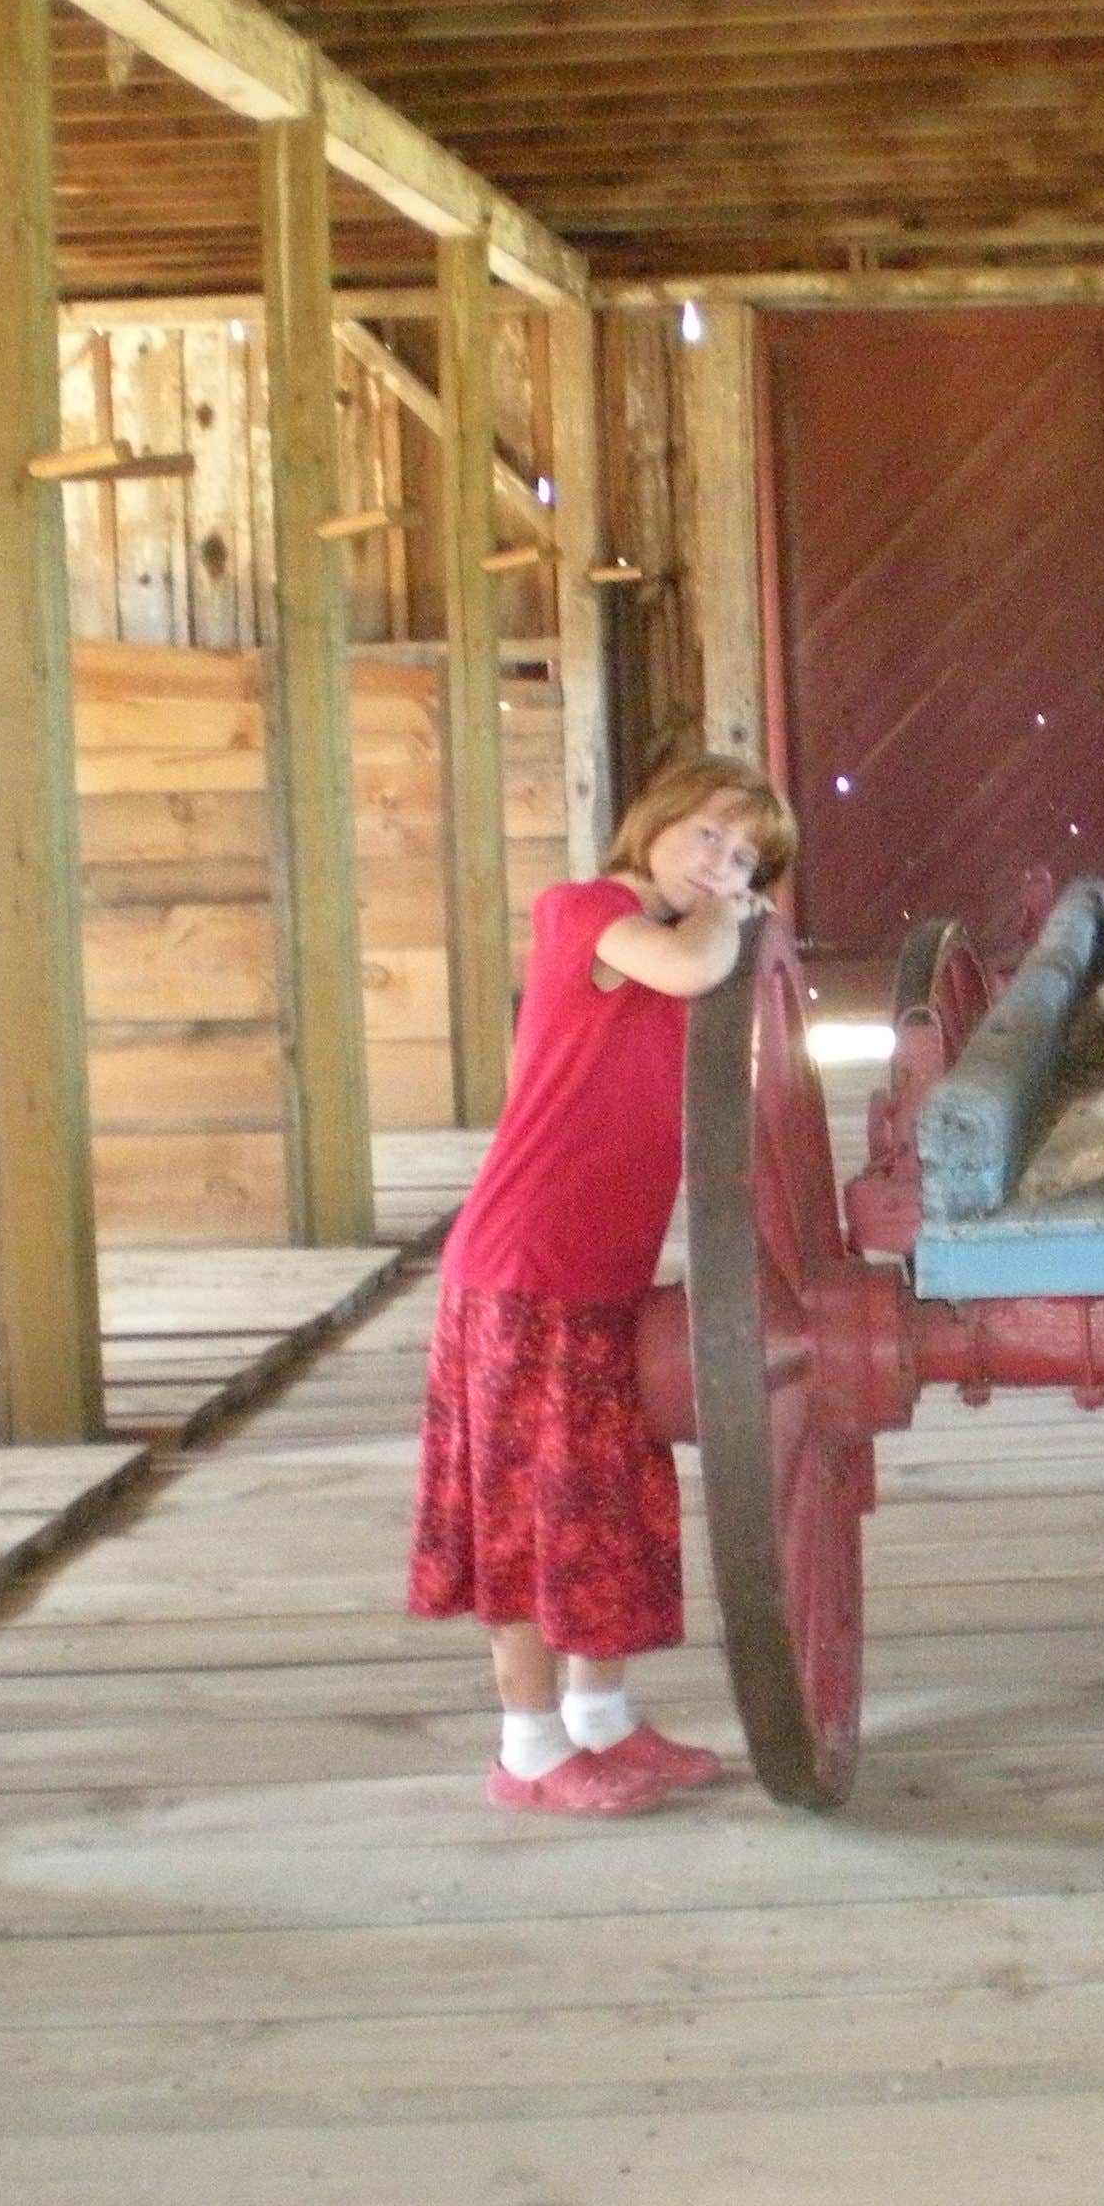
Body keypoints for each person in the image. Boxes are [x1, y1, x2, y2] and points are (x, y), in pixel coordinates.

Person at [406, 754, 797, 1813]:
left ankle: (599, 1719)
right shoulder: (586, 910)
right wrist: (730, 911)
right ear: (654, 822)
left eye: (747, 852)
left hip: (600, 1274)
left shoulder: (680, 945)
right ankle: (527, 1751)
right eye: (709, 836)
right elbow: (689, 969)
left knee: (600, 1503)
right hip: (524, 1269)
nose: (724, 861)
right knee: (530, 1515)